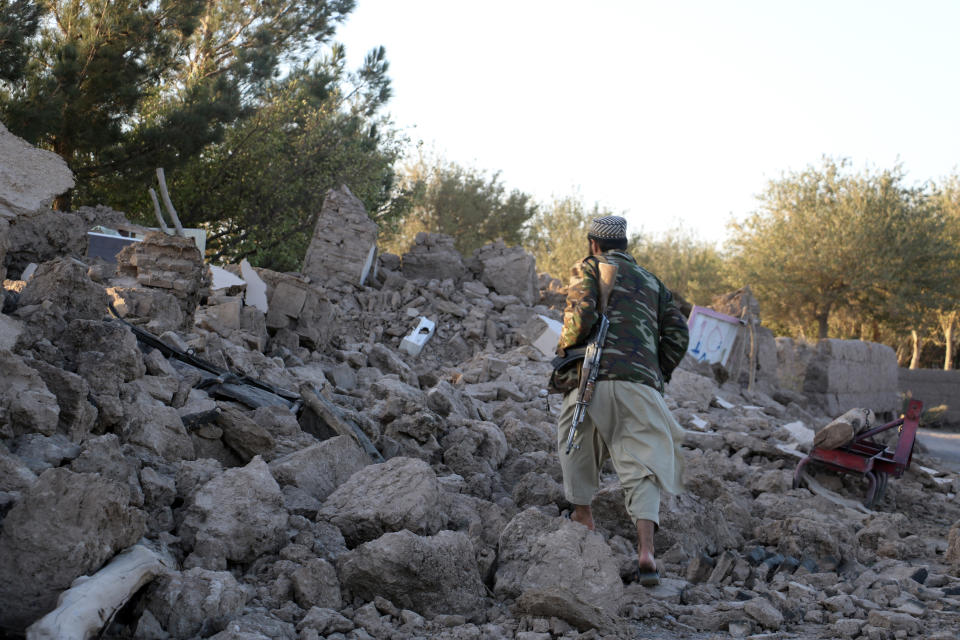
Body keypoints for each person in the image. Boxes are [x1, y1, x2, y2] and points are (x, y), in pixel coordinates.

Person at [555, 215, 689, 586]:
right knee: (642, 464)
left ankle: (583, 514)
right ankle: (646, 550)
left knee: (575, 439)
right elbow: (678, 334)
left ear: (593, 244)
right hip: (642, 387)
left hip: (593, 378)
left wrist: (564, 348)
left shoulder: (589, 267)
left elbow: (581, 314)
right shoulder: (654, 282)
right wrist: (654, 374)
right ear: (626, 246)